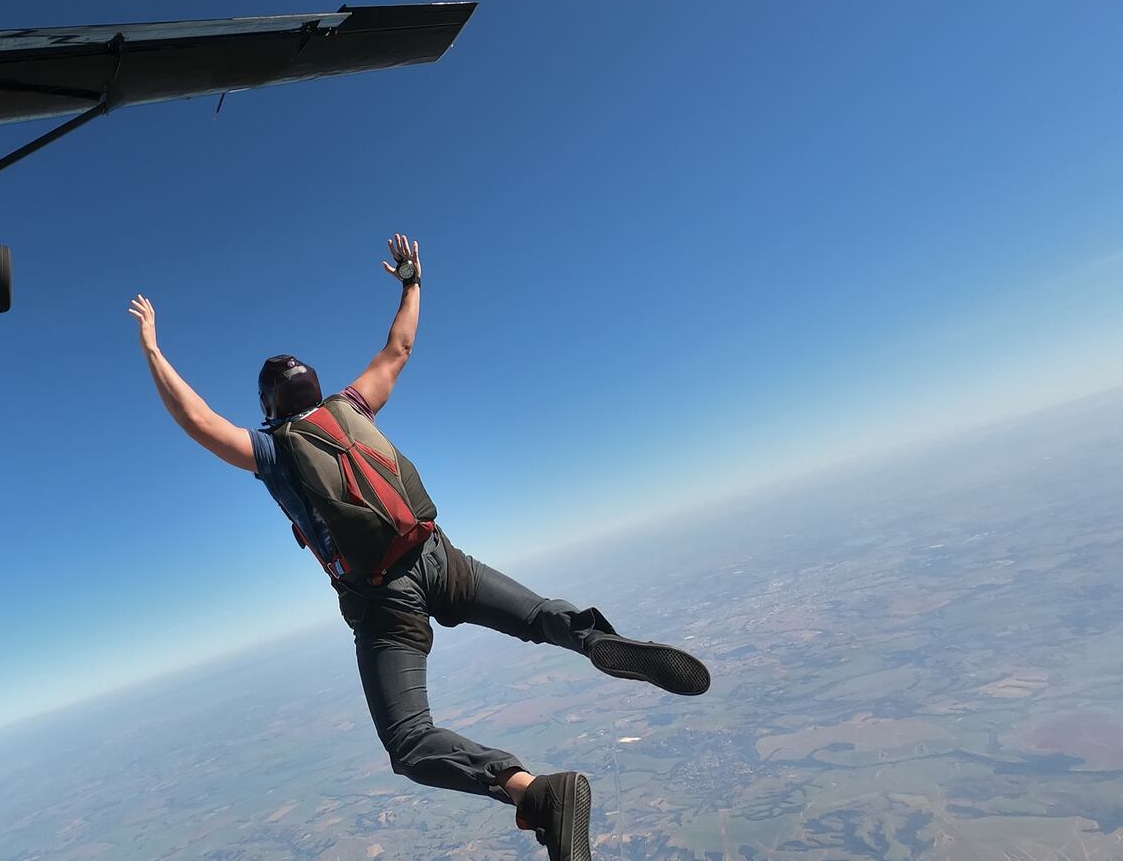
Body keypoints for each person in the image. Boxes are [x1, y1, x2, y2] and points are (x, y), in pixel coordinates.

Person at [126, 235, 709, 861]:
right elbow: (398, 348)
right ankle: (592, 637)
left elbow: (198, 420)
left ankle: (536, 793)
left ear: (269, 407)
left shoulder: (274, 451)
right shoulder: (352, 407)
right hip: (438, 556)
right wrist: (411, 282)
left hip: (384, 603)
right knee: (539, 616)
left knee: (409, 741)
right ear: (314, 388)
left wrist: (154, 349)